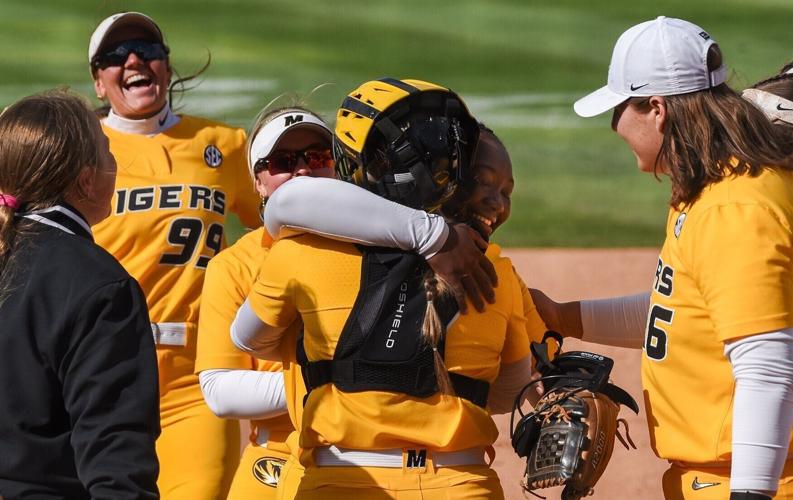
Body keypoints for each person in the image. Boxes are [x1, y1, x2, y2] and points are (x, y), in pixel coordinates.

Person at [232, 78, 539, 499]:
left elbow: (249, 340)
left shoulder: (297, 254)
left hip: (343, 482)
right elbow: (509, 389)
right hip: (462, 484)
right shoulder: (494, 274)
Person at [533, 16, 793, 500]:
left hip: (749, 482)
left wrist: (750, 495)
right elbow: (682, 312)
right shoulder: (712, 188)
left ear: (657, 109)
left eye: (618, 109)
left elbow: (766, 367)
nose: (614, 126)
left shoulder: (736, 207)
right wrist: (562, 317)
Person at [87, 12, 261, 499]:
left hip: (196, 381)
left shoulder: (224, 147)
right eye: (116, 56)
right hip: (98, 377)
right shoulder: (77, 150)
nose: (135, 59)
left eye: (147, 49)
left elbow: (281, 230)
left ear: (166, 66)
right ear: (99, 83)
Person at [0, 91, 160, 498]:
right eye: (108, 151)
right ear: (87, 181)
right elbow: (116, 457)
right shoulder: (99, 285)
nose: (115, 163)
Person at [195, 104, 336, 499]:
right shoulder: (235, 266)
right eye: (284, 162)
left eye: (317, 157)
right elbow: (221, 389)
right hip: (274, 460)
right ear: (258, 182)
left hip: (370, 461)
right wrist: (326, 384)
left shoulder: (378, 249)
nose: (304, 170)